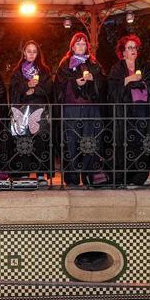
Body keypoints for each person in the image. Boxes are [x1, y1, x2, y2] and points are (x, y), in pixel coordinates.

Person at [55, 32, 106, 186]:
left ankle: (90, 177)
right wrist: (75, 83)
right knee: (71, 142)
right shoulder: (65, 64)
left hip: (90, 109)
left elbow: (103, 83)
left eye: (83, 44)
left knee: (90, 142)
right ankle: (72, 179)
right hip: (72, 109)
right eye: (78, 43)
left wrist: (93, 80)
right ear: (72, 46)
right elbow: (59, 86)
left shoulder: (94, 63)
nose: (81, 46)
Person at [108, 34, 150, 186]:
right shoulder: (117, 69)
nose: (133, 50)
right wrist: (129, 80)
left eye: (134, 47)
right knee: (127, 142)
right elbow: (112, 90)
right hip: (125, 112)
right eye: (129, 48)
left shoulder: (145, 67)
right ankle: (126, 176)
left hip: (142, 111)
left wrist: (142, 83)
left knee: (142, 141)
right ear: (123, 52)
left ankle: (141, 175)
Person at [5, 41, 53, 178]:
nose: (31, 54)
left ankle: (40, 174)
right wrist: (26, 87)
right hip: (22, 112)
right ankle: (24, 173)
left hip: (39, 111)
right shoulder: (17, 71)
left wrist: (35, 90)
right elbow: (13, 89)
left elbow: (49, 89)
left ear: (38, 54)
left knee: (40, 142)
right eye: (29, 51)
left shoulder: (44, 70)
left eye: (34, 51)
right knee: (23, 142)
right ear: (24, 53)